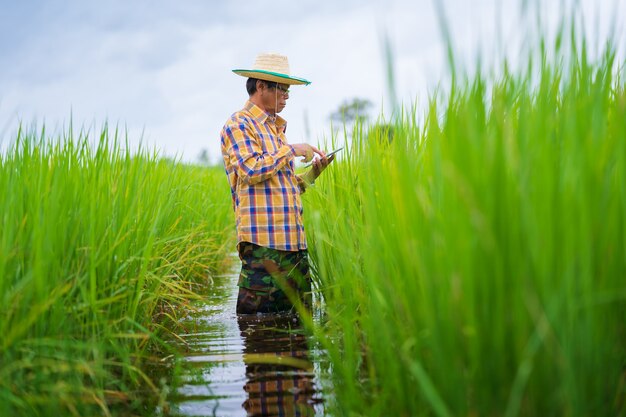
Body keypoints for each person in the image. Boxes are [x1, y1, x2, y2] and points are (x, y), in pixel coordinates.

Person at [220, 52, 334, 315]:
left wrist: (313, 173)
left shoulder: (275, 130)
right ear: (261, 87)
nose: (286, 96)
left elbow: (285, 187)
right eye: (282, 89)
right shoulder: (239, 124)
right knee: (256, 328)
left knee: (299, 326)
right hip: (263, 248)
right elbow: (250, 169)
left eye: (287, 91)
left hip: (294, 247)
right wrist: (292, 150)